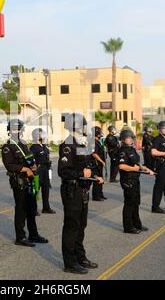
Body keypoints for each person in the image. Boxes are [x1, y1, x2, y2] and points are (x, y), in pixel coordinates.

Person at [58, 113, 102, 274]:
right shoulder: (67, 145)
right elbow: (63, 171)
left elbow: (88, 166)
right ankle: (70, 263)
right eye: (83, 126)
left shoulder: (82, 144)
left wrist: (95, 176)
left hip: (82, 190)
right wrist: (80, 173)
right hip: (72, 190)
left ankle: (80, 257)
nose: (85, 129)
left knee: (81, 225)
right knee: (72, 226)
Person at [2, 119, 48, 247]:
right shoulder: (8, 146)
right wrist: (25, 169)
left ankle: (33, 234)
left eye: (18, 129)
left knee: (32, 208)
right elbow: (9, 165)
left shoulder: (23, 143)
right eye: (14, 129)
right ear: (10, 130)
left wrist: (32, 166)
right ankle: (20, 237)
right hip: (19, 181)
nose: (17, 131)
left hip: (30, 179)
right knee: (21, 209)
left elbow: (29, 157)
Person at [118, 129, 154, 234]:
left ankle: (137, 224)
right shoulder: (123, 151)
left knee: (136, 203)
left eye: (131, 138)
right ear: (123, 139)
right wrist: (135, 169)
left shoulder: (131, 149)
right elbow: (122, 166)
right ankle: (128, 227)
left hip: (135, 179)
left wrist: (145, 169)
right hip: (128, 180)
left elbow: (136, 164)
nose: (130, 139)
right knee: (129, 204)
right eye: (128, 138)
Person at [30, 128, 55, 214]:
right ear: (37, 136)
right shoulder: (33, 147)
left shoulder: (44, 146)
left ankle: (46, 207)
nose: (44, 136)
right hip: (38, 171)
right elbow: (31, 160)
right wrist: (34, 169)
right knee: (35, 191)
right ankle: (33, 209)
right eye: (42, 134)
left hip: (45, 169)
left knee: (46, 189)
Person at [91, 126, 107, 201]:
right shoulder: (93, 142)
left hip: (99, 164)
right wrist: (102, 161)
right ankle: (96, 196)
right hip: (96, 164)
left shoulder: (98, 141)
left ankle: (100, 194)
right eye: (99, 132)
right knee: (97, 180)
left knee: (101, 178)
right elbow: (94, 154)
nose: (101, 134)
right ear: (96, 133)